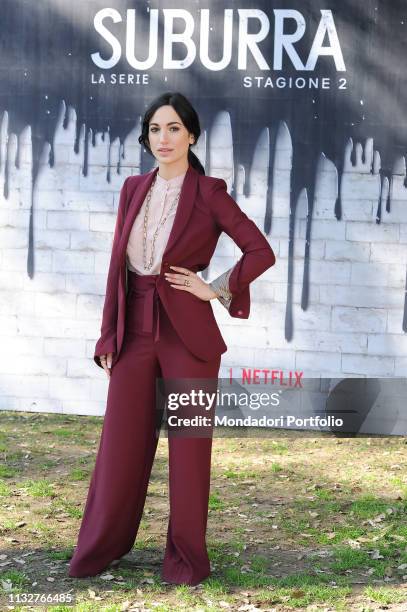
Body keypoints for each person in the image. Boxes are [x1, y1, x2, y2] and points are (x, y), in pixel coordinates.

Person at [68, 91, 276, 585]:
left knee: (187, 453)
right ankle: (100, 550)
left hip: (189, 339)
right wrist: (107, 337)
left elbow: (259, 251)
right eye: (155, 130)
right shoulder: (132, 188)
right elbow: (116, 268)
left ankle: (185, 563)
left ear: (192, 136)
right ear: (147, 137)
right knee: (119, 448)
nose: (163, 139)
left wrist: (215, 288)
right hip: (134, 333)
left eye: (174, 129)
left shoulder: (209, 191)